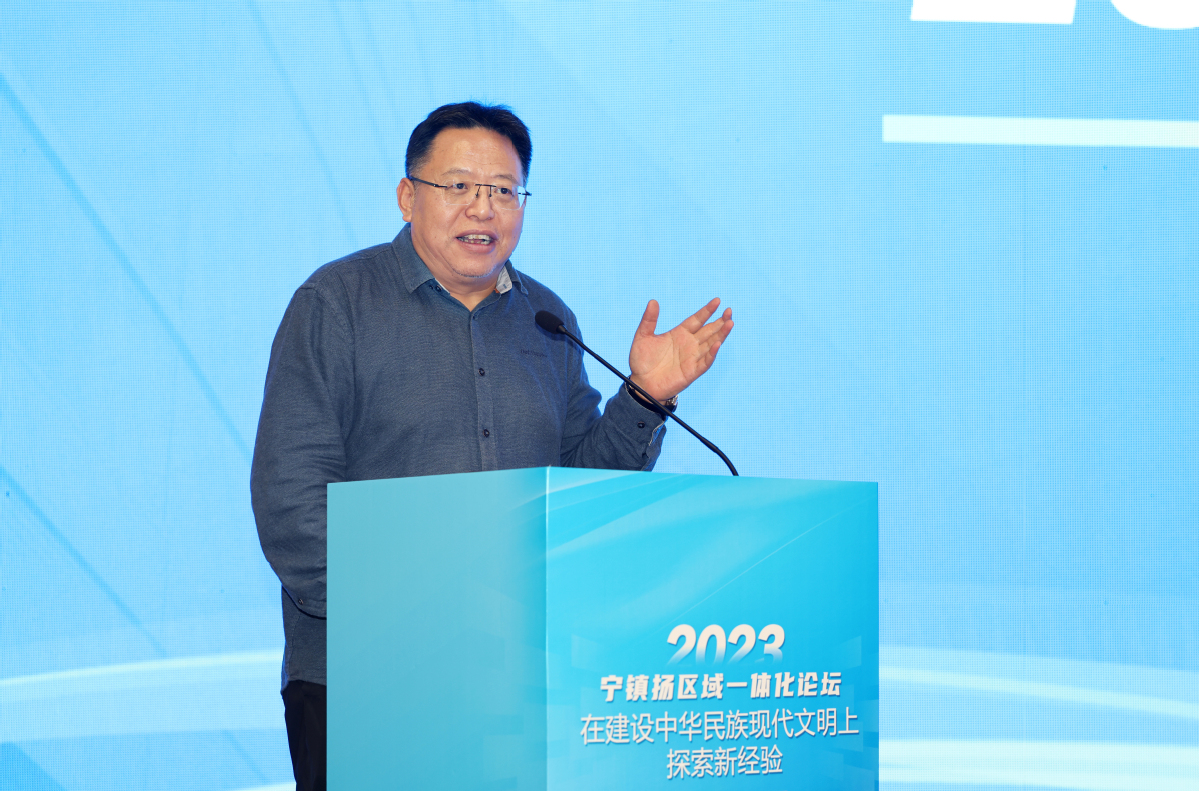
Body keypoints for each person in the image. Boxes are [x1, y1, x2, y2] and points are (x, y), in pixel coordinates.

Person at [250, 102, 733, 790]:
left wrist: (645, 396)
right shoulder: (336, 304)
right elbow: (292, 503)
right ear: (407, 196)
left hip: (522, 679)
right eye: (459, 186)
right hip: (367, 674)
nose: (483, 208)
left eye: (504, 190)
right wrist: (422, 618)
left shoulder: (547, 320)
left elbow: (580, 493)